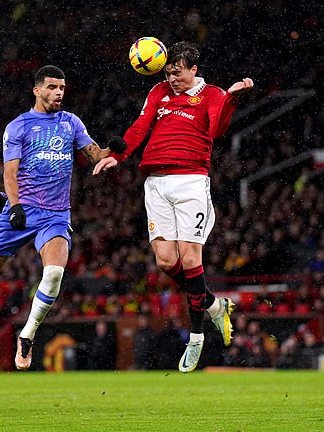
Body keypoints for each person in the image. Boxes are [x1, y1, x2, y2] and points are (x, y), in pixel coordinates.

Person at [0, 65, 116, 375]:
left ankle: (27, 334)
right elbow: (10, 172)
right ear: (37, 90)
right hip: (22, 208)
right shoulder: (18, 126)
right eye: (53, 87)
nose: (59, 92)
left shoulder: (70, 122)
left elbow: (96, 155)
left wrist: (116, 149)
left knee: (55, 273)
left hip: (55, 214)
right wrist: (15, 206)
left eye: (62, 87)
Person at [93, 41, 254, 373]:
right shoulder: (159, 91)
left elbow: (217, 129)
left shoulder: (211, 94)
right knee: (166, 261)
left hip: (191, 181)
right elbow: (140, 127)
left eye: (177, 72)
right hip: (155, 182)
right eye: (167, 72)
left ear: (193, 70)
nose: (172, 78)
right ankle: (213, 304)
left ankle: (196, 338)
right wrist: (117, 156)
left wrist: (232, 98)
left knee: (190, 258)